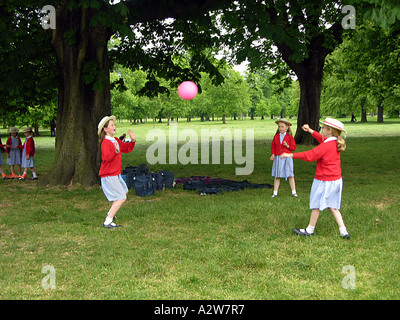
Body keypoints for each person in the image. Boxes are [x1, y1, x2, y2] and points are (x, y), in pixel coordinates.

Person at [281, 118, 350, 239]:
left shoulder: (326, 145)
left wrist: (290, 154)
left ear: (329, 131)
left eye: (323, 128)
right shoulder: (335, 141)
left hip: (324, 181)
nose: (321, 129)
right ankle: (344, 231)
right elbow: (321, 138)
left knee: (316, 204)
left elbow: (310, 155)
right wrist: (310, 131)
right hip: (336, 180)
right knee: (333, 206)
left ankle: (309, 230)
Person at [98, 115, 136, 228]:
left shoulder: (115, 140)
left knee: (124, 192)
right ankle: (108, 221)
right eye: (111, 125)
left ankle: (110, 214)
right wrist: (115, 150)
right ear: (105, 129)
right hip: (109, 174)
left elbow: (126, 148)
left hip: (116, 173)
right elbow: (107, 158)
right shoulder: (106, 142)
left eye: (114, 124)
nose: (114, 126)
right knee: (121, 198)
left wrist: (133, 140)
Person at [270, 118, 298, 197]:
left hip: (287, 158)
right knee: (277, 175)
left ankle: (294, 192)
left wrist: (287, 146)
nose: (280, 128)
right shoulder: (276, 136)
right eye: (279, 127)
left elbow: (294, 148)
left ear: (287, 127)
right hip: (278, 158)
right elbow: (273, 146)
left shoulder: (290, 137)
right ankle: (275, 192)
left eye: (282, 127)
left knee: (290, 175)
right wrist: (273, 154)